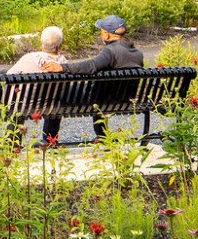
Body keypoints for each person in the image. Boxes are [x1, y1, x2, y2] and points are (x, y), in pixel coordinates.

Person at [39, 15, 144, 143]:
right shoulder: (137, 53)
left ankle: (49, 140)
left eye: (101, 32)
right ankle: (102, 136)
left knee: (55, 96)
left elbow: (91, 66)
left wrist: (62, 67)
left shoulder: (111, 51)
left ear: (107, 34)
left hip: (98, 101)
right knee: (102, 92)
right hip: (123, 100)